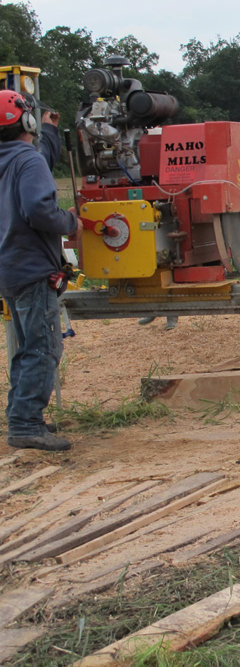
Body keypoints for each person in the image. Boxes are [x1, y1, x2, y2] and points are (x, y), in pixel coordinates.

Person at [0, 89, 81, 451]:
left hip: (10, 269)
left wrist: (48, 136)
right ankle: (26, 425)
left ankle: (19, 415)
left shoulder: (11, 160)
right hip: (34, 269)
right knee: (43, 349)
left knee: (27, 347)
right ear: (27, 119)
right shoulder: (28, 162)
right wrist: (71, 222)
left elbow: (35, 165)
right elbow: (39, 209)